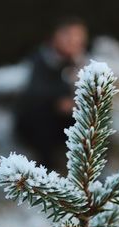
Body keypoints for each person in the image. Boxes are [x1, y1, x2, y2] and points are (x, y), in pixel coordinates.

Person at [14, 17, 88, 172]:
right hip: (37, 123)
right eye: (68, 35)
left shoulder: (81, 62)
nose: (73, 41)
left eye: (78, 37)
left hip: (66, 122)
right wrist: (58, 100)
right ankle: (46, 171)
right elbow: (34, 91)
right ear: (55, 36)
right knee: (42, 119)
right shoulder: (41, 59)